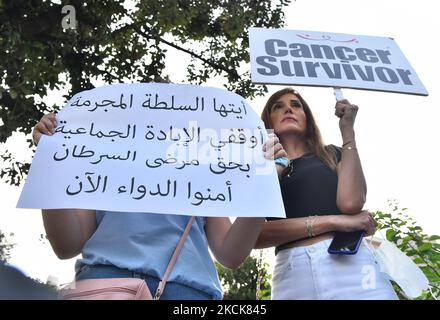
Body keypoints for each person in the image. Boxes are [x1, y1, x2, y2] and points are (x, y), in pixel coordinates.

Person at [32, 113, 272, 300]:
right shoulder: (102, 166)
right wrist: (50, 159)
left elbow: (230, 254)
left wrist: (266, 181)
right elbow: (66, 245)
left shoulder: (201, 176)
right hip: (107, 284)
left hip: (185, 291)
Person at [255, 88, 398, 300]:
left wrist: (347, 130)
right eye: (278, 106)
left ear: (307, 119)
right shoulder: (260, 169)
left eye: (296, 105)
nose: (288, 109)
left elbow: (351, 203)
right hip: (293, 274)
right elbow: (254, 235)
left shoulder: (332, 155)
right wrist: (334, 222)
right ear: (267, 121)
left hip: (353, 265)